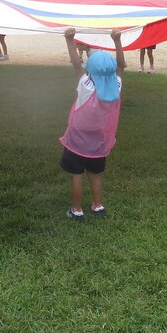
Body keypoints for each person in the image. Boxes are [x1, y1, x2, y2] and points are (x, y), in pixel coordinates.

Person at [60, 27, 125, 221]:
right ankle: (98, 206)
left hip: (77, 139)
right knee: (95, 175)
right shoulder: (117, 87)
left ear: (90, 70)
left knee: (77, 175)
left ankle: (76, 210)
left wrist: (69, 39)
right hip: (98, 140)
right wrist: (117, 41)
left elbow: (75, 64)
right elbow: (121, 66)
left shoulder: (85, 85)